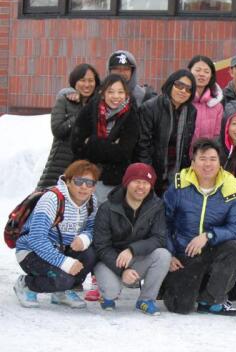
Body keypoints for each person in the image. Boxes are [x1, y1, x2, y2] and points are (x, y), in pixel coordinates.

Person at [162, 139, 236, 315]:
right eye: (202, 158)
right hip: (185, 254)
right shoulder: (179, 185)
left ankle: (212, 299)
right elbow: (163, 222)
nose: (208, 164)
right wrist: (169, 254)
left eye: (213, 159)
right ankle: (186, 291)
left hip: (214, 250)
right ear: (193, 163)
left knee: (234, 248)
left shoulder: (230, 186)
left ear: (220, 162)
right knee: (180, 307)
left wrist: (208, 236)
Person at [13, 160, 99, 309]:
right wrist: (64, 262)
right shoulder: (52, 199)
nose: (84, 187)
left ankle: (61, 291)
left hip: (62, 249)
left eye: (89, 182)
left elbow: (92, 227)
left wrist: (85, 238)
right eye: (79, 181)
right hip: (31, 252)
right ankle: (26, 284)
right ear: (68, 181)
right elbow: (36, 239)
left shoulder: (91, 201)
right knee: (62, 278)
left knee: (90, 254)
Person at [93, 163, 171, 315]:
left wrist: (132, 250)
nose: (141, 187)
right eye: (136, 181)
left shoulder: (156, 206)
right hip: (110, 261)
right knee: (111, 292)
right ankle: (106, 295)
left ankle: (146, 300)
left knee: (163, 255)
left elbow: (159, 238)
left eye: (146, 183)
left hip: (136, 258)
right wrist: (123, 270)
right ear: (127, 182)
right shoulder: (107, 208)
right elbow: (101, 246)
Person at [71, 74, 139, 204]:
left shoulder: (131, 116)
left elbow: (124, 153)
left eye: (120, 92)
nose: (116, 96)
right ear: (103, 93)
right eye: (111, 92)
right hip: (84, 176)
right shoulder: (91, 109)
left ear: (126, 94)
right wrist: (111, 145)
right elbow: (76, 144)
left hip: (112, 179)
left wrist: (92, 142)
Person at [38, 64, 100, 189]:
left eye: (90, 80)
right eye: (82, 80)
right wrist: (80, 112)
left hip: (85, 165)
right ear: (74, 81)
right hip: (61, 163)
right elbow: (58, 130)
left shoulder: (98, 105)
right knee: (50, 199)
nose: (87, 85)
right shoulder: (65, 99)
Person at [136, 69, 197, 195]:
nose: (183, 91)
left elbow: (186, 147)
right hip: (153, 171)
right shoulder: (150, 108)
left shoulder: (191, 111)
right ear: (170, 84)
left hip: (176, 174)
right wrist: (147, 175)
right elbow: (143, 146)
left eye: (188, 89)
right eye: (179, 85)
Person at [188, 55, 224, 148]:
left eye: (206, 71)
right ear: (189, 72)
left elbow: (216, 137)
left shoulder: (217, 105)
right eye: (197, 70)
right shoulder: (182, 99)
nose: (202, 74)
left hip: (204, 158)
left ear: (211, 75)